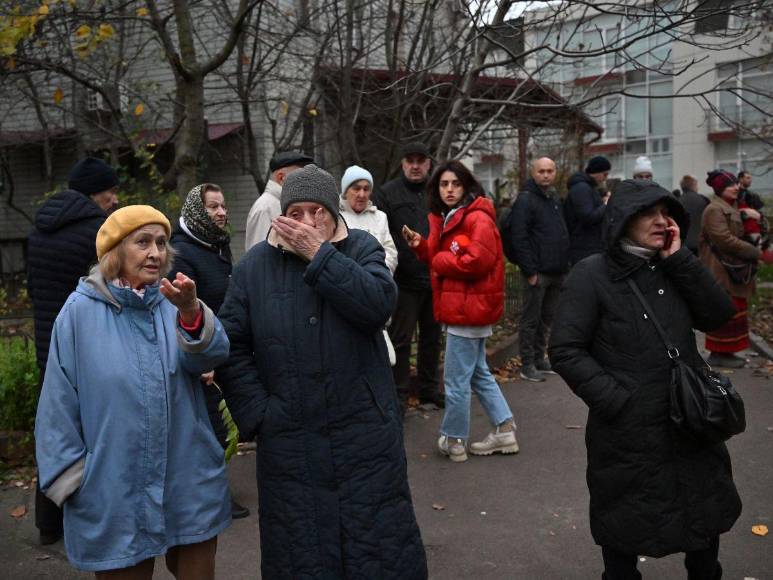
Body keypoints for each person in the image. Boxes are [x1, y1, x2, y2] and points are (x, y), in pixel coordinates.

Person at [216, 164, 428, 579]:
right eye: (296, 212)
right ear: (282, 216)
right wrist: (259, 414)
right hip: (290, 441)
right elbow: (231, 345)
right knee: (302, 553)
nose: (308, 222)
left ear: (335, 214)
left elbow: (377, 306)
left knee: (379, 550)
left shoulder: (362, 248)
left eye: (318, 211)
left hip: (365, 437)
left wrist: (320, 254)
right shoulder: (254, 267)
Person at [549, 179, 741, 580]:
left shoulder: (675, 263)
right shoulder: (591, 274)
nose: (661, 221)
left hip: (691, 423)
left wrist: (680, 260)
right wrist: (617, 400)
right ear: (622, 220)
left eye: (666, 212)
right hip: (626, 433)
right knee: (623, 527)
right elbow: (565, 349)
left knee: (703, 520)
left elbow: (718, 314)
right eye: (649, 213)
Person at [35, 206, 231, 577]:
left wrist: (191, 312)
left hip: (187, 478)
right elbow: (57, 406)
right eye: (142, 242)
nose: (155, 253)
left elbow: (214, 355)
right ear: (115, 252)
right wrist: (74, 479)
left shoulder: (174, 301)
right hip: (112, 487)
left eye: (161, 243)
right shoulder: (78, 314)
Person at [26, 156, 119, 546]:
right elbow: (107, 289)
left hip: (48, 340)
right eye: (110, 191)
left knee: (54, 426)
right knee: (88, 430)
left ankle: (47, 522)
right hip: (84, 340)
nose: (115, 199)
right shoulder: (95, 232)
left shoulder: (38, 230)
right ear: (94, 193)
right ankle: (87, 514)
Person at [403, 160, 516, 463]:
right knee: (479, 374)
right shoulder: (454, 216)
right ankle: (504, 428)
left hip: (467, 313)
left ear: (466, 186)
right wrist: (421, 246)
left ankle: (454, 440)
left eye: (455, 183)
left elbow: (476, 261)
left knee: (455, 380)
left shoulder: (476, 218)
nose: (449, 189)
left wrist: (437, 259)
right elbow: (449, 256)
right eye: (443, 184)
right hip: (467, 310)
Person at [168, 183, 249, 520]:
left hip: (218, 349)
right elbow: (176, 309)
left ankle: (211, 490)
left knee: (222, 426)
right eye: (214, 207)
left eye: (223, 206)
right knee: (211, 428)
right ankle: (212, 498)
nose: (222, 213)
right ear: (197, 212)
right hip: (199, 356)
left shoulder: (216, 245)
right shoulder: (183, 253)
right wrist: (201, 354)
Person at [372, 142, 443, 408]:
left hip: (435, 277)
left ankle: (428, 390)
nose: (415, 166)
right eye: (410, 161)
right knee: (401, 340)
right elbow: (383, 233)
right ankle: (399, 395)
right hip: (403, 281)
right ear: (402, 163)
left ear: (428, 164)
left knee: (432, 338)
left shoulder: (437, 192)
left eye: (420, 161)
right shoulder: (387, 193)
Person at [508, 157, 570, 382]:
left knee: (547, 317)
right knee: (530, 319)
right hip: (538, 272)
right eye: (541, 171)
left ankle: (539, 358)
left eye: (550, 171)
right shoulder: (526, 200)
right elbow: (519, 237)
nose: (546, 175)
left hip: (556, 270)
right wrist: (529, 269)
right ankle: (527, 364)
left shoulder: (552, 197)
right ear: (533, 173)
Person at [700, 170, 761, 368]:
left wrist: (749, 215)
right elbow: (724, 239)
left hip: (731, 268)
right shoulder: (714, 209)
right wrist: (754, 251)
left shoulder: (732, 206)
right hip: (721, 270)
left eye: (736, 183)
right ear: (719, 189)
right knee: (725, 311)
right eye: (730, 185)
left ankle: (728, 353)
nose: (736, 187)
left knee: (734, 311)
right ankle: (719, 354)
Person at [245, 150, 314, 250]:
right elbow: (259, 258)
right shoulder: (264, 208)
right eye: (300, 177)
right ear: (281, 178)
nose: (306, 183)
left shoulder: (283, 204)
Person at [339, 165, 398, 273]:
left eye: (366, 189)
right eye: (356, 188)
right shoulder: (334, 216)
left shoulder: (380, 217)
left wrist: (378, 273)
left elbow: (391, 253)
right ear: (345, 191)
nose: (361, 194)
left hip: (376, 281)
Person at [565, 155, 612, 265]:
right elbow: (588, 217)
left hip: (588, 247)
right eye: (605, 174)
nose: (606, 178)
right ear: (596, 172)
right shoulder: (581, 188)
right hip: (584, 248)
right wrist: (606, 204)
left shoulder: (587, 188)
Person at [677, 175, 709, 255]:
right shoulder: (704, 201)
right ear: (694, 185)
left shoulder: (677, 202)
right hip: (701, 245)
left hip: (682, 246)